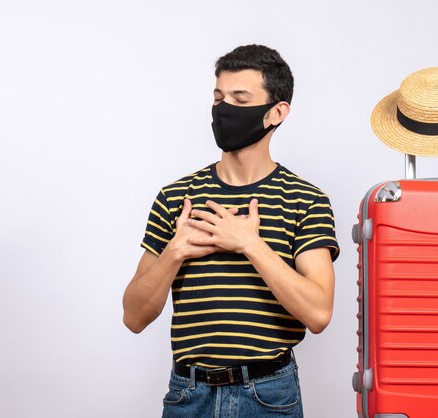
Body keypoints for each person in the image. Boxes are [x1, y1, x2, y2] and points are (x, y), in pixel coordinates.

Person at [122, 44, 340, 418]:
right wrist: (176, 250)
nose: (224, 109)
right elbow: (134, 317)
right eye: (219, 97)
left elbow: (318, 314)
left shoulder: (306, 200)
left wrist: (250, 244)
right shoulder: (177, 197)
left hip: (269, 395)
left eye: (240, 99)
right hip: (188, 394)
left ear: (276, 112)